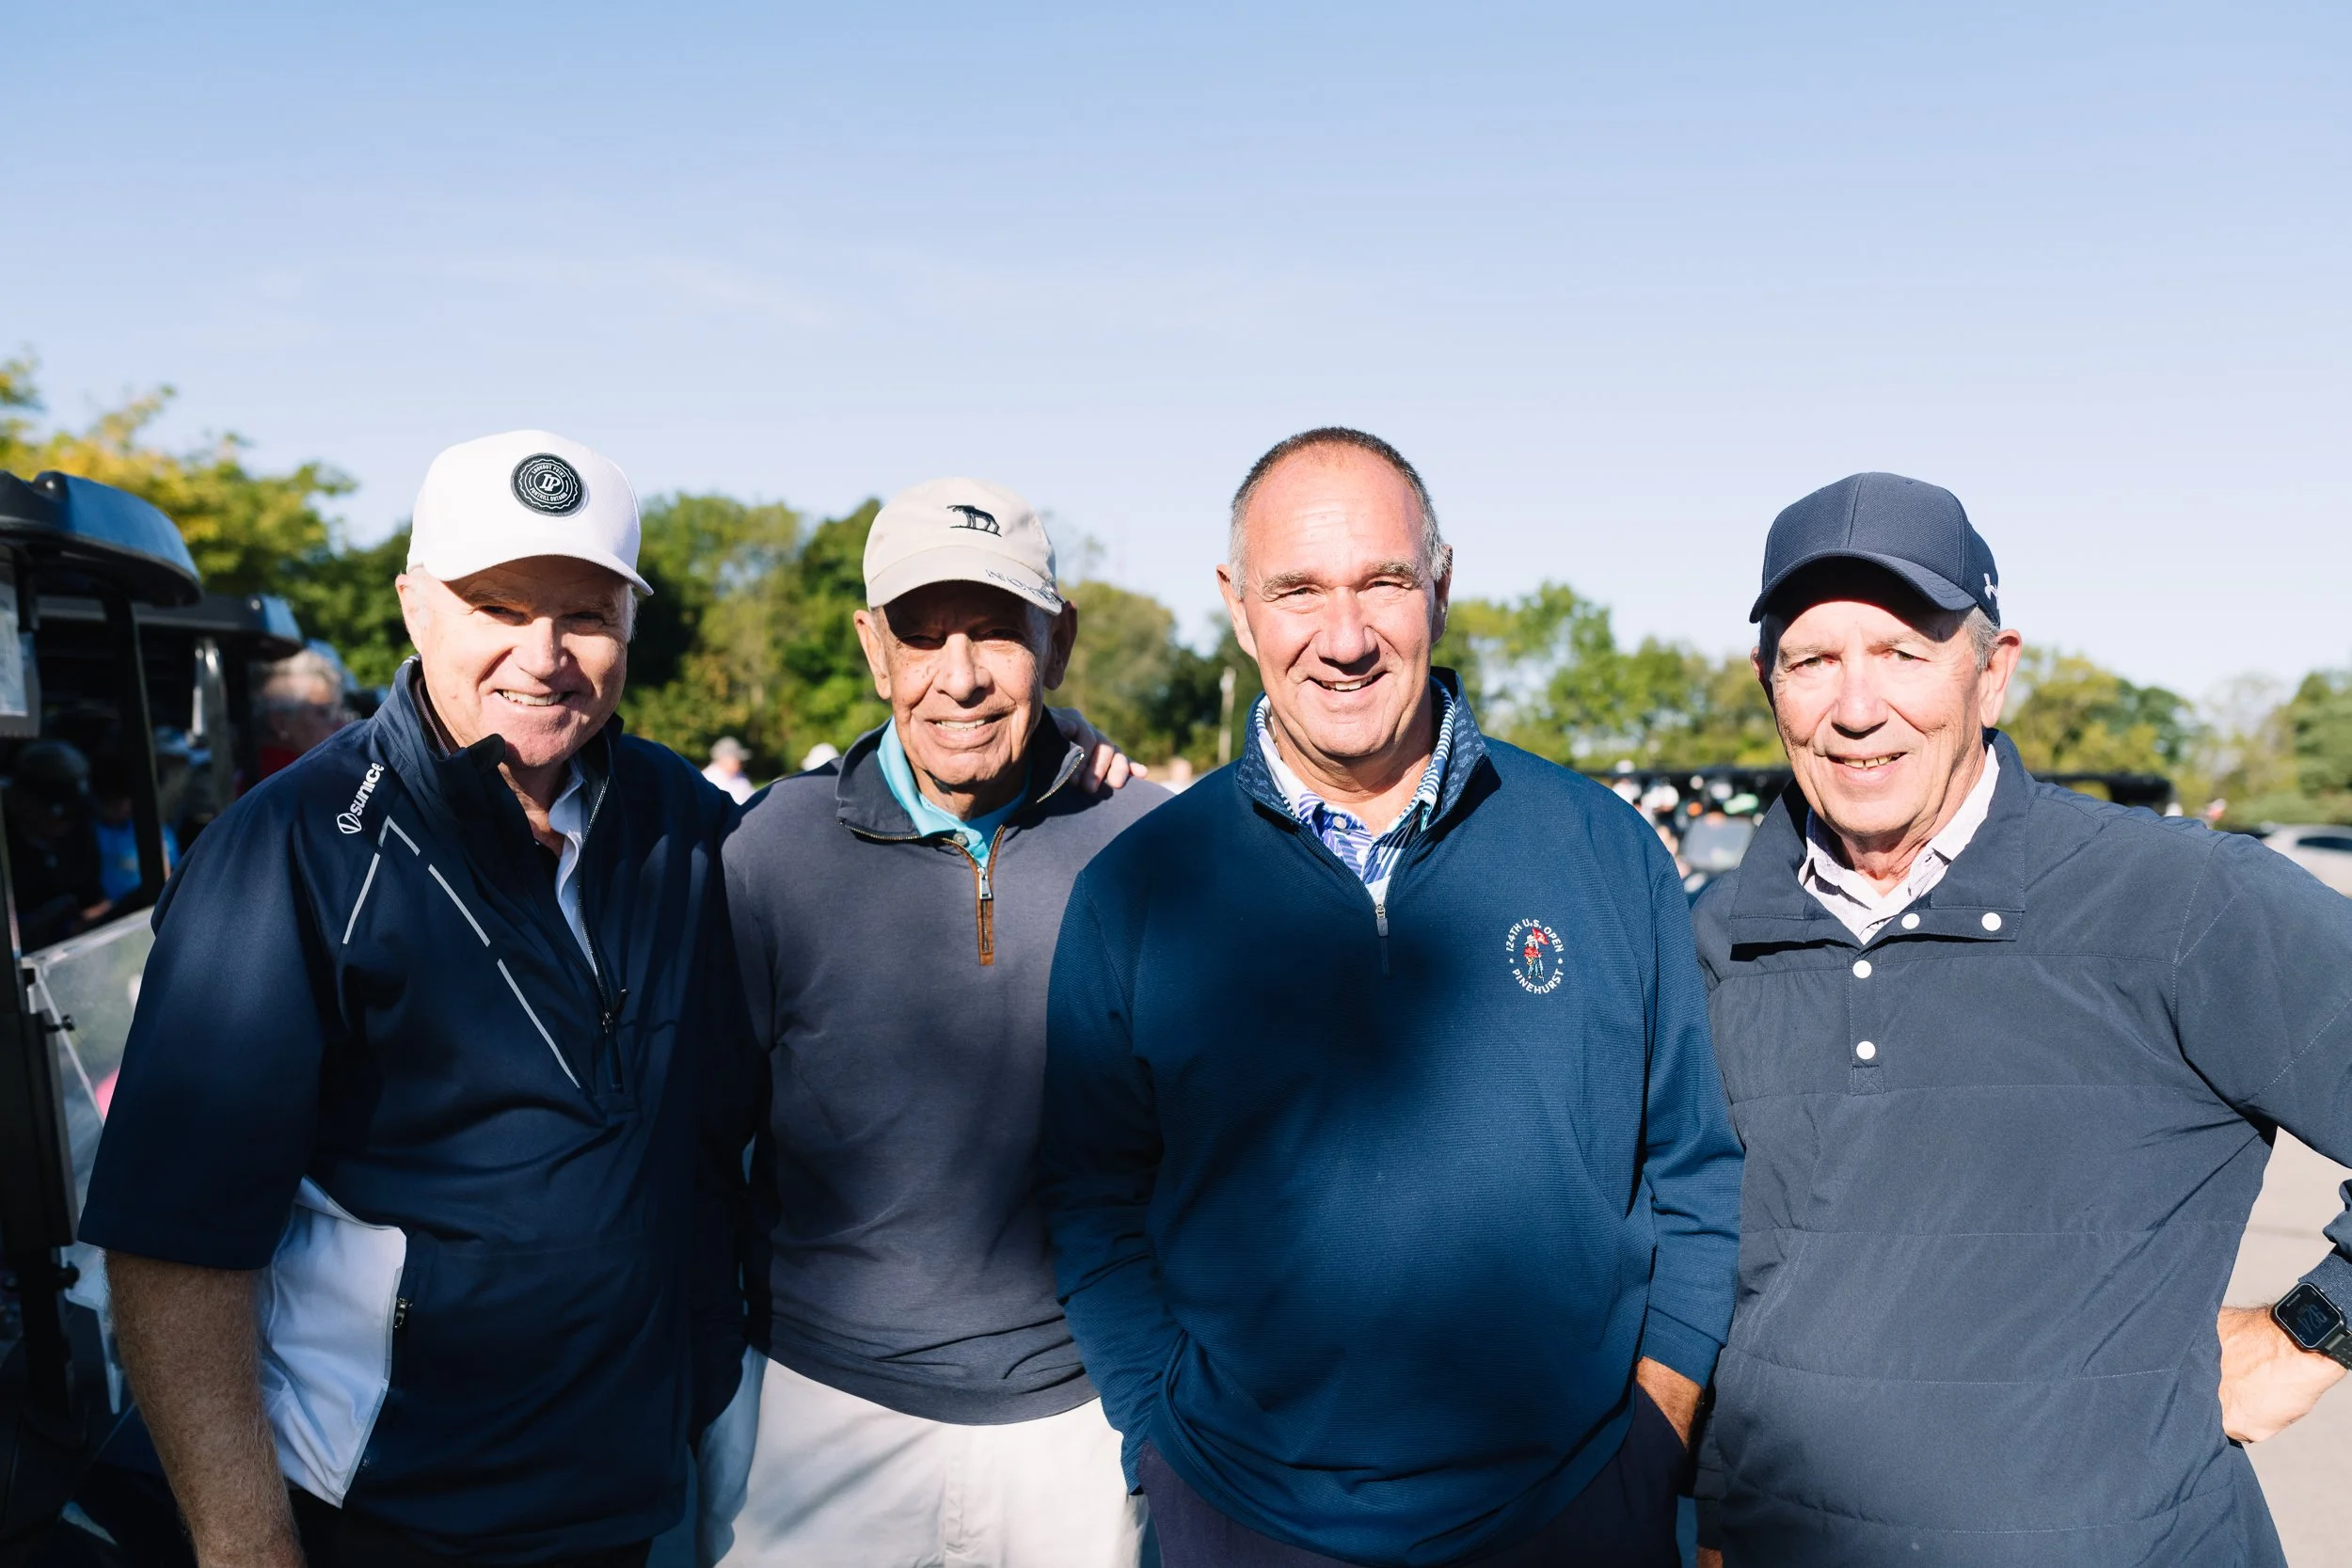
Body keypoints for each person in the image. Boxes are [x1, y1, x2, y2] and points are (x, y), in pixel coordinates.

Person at [1039, 428, 1743, 1568]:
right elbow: (1091, 1194)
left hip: (1570, 1510)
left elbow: (1695, 1172)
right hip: (1244, 1516)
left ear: (1443, 586)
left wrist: (1651, 1440)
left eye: (1384, 582)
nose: (1346, 637)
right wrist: (1160, 1437)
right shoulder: (1143, 887)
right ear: (1236, 605)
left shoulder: (1603, 850)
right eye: (1299, 590)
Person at [80, 430, 754, 1567]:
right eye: (497, 604)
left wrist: (1046, 771)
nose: (543, 655)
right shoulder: (290, 847)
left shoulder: (683, 819)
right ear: (414, 605)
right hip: (382, 1514)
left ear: (632, 625)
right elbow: (172, 1245)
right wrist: (247, 1544)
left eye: (586, 613)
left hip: (615, 1497)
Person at [1691, 472, 2352, 1565]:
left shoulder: (2183, 901)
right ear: (1770, 684)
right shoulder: (1711, 938)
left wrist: (2312, 1333)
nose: (1857, 706)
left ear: (1990, 674)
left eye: (1904, 652)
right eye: (1814, 660)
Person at [698, 478, 1163, 1568]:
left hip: (1076, 1421)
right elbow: (698, 1145)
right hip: (812, 1415)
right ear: (874, 649)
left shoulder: (1154, 846)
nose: (958, 676)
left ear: (1058, 642)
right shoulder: (772, 849)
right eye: (922, 635)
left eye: (997, 631)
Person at [703, 736, 755, 802]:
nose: (741, 762)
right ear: (724, 758)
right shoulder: (707, 779)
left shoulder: (741, 775)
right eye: (737, 758)